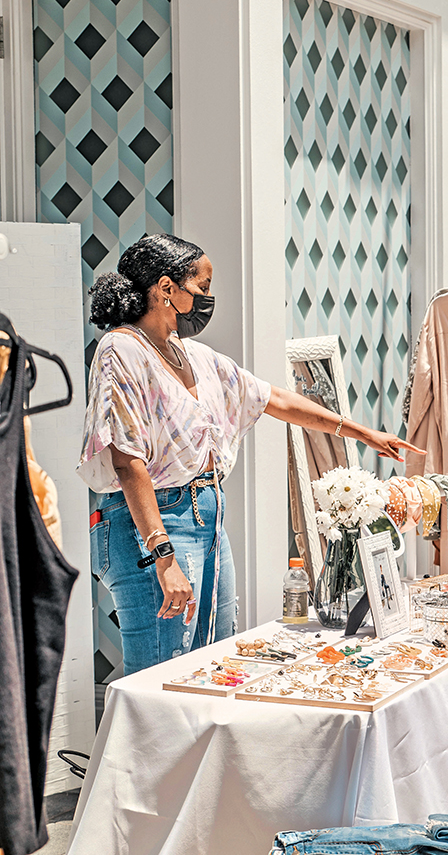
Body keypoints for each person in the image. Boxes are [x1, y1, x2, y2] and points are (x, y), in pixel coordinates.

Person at [79, 233, 421, 675]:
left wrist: (359, 431)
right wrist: (163, 558)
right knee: (160, 675)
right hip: (152, 526)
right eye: (201, 288)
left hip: (207, 519)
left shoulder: (193, 355)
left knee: (213, 664)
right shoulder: (121, 349)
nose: (206, 299)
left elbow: (272, 397)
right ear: (166, 289)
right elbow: (127, 459)